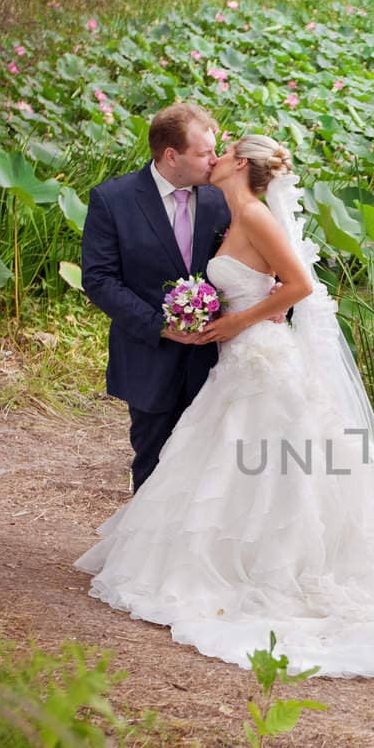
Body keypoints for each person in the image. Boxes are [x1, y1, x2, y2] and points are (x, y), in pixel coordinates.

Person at [75, 134, 374, 679]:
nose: (213, 156)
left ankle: (268, 574)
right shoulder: (235, 210)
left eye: (222, 151)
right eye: (207, 149)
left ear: (240, 163)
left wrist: (231, 322)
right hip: (238, 358)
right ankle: (219, 563)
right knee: (224, 458)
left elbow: (298, 286)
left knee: (267, 463)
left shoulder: (255, 215)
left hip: (259, 356)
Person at [80, 103, 229, 492]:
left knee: (210, 472)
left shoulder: (221, 199)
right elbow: (99, 280)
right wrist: (161, 326)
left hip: (214, 362)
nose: (215, 161)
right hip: (148, 358)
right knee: (153, 464)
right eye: (204, 153)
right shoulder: (113, 200)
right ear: (170, 156)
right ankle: (143, 552)